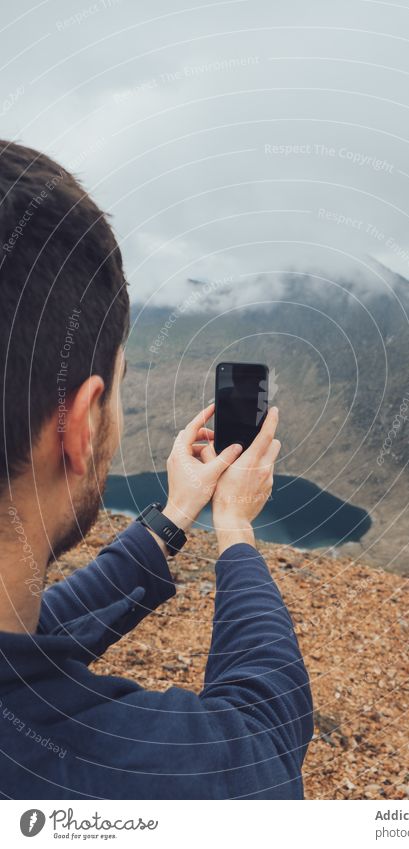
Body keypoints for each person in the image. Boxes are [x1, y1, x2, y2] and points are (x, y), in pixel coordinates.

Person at [0, 140, 313, 799]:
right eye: (117, 386)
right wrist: (234, 529)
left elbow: (31, 635)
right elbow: (265, 732)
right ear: (79, 426)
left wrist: (172, 517)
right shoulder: (125, 779)